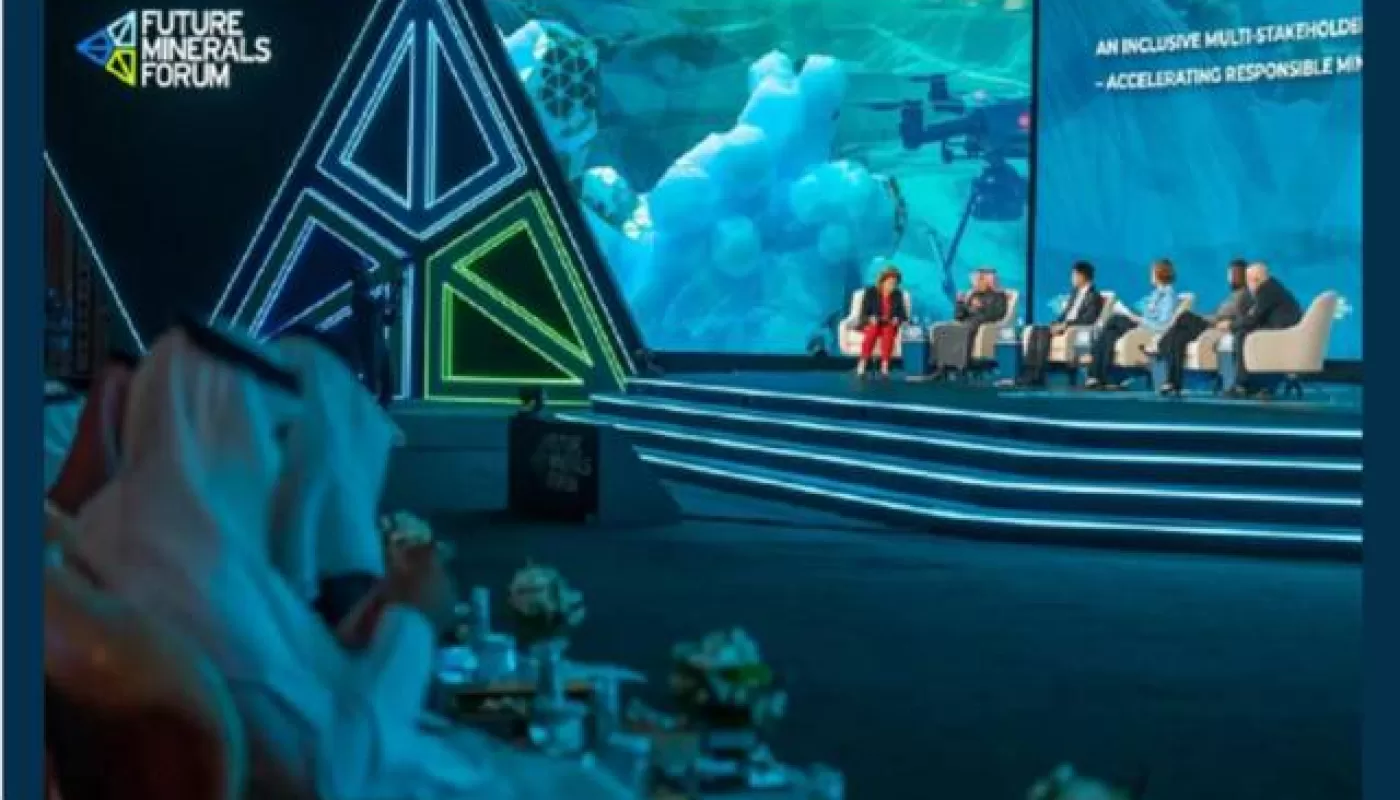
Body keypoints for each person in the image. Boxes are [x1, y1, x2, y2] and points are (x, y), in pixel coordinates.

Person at [70, 323, 631, 799]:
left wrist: (364, 627)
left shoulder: (123, 537)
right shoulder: (195, 581)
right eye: (275, 434)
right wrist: (412, 621)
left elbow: (287, 692)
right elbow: (341, 773)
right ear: (222, 433)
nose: (279, 462)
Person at [1152, 259, 1253, 396]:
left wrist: (1219, 322)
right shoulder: (1234, 295)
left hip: (1213, 327)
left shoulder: (1244, 295)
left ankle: (1163, 343)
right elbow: (1218, 314)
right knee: (1178, 338)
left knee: (1184, 316)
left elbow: (1237, 318)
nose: (1228, 278)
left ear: (1239, 275)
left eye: (1231, 274)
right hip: (1209, 323)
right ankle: (1172, 383)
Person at [1084, 259, 1179, 389]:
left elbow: (1163, 325)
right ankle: (1099, 377)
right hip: (1142, 325)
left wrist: (1140, 320)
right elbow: (1149, 315)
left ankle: (1094, 359)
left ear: (1160, 273)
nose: (1150, 275)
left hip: (1148, 330)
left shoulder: (1168, 295)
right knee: (1110, 334)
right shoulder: (1156, 293)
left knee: (1115, 319)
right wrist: (1137, 317)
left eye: (1152, 272)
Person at [1012, 261, 1103, 387]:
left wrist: (1066, 325)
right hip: (1065, 325)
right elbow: (1065, 313)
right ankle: (1029, 372)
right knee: (1037, 329)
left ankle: (1038, 374)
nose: (1072, 278)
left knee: (1043, 333)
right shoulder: (1075, 293)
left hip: (1075, 329)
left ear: (1082, 276)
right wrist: (1056, 323)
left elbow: (1088, 319)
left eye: (1074, 275)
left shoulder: (1094, 296)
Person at [1224, 262, 1303, 397]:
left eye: (1248, 281)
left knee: (1241, 334)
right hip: (1286, 332)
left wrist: (1230, 326)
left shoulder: (1265, 290)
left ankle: (1242, 384)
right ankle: (1252, 384)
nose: (1248, 285)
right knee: (1245, 332)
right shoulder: (1273, 287)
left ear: (1255, 280)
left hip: (1282, 334)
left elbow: (1252, 319)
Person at [930, 268, 1008, 379]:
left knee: (964, 330)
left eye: (979, 280)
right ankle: (940, 366)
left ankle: (961, 366)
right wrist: (960, 302)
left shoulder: (999, 295)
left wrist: (980, 308)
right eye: (975, 281)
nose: (976, 283)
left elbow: (997, 315)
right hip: (967, 321)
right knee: (941, 329)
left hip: (980, 323)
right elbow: (958, 316)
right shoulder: (973, 294)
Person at [855, 265, 909, 377]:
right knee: (873, 330)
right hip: (873, 324)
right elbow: (863, 313)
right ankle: (863, 362)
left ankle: (885, 364)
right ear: (882, 282)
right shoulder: (871, 292)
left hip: (888, 324)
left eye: (895, 283)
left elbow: (903, 315)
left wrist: (897, 319)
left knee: (888, 331)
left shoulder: (897, 295)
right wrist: (870, 318)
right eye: (890, 283)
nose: (892, 286)